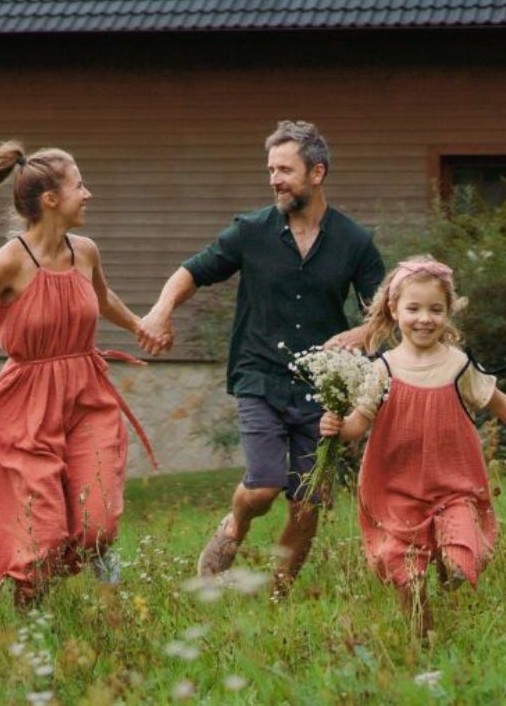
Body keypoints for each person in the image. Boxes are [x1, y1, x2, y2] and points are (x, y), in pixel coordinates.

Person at [0, 118, 158, 604]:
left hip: (88, 395)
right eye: (79, 186)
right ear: (50, 200)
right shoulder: (10, 261)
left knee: (97, 524)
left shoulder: (85, 251)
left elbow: (102, 300)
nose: (88, 194)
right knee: (41, 537)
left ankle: (67, 575)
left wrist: (140, 326)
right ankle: (28, 621)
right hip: (27, 406)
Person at [139, 120, 385, 594]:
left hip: (324, 386)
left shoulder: (355, 242)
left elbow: (384, 312)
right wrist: (160, 312)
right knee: (264, 487)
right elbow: (193, 270)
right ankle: (234, 525)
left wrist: (362, 332)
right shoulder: (250, 231)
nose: (274, 179)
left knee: (308, 501)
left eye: (285, 170)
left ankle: (279, 593)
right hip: (260, 375)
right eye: (271, 169)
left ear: (317, 173)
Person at [320, 256, 506, 637]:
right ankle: (422, 635)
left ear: (448, 313)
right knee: (406, 573)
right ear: (394, 310)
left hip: (453, 481)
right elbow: (356, 427)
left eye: (435, 310)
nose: (424, 318)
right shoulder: (382, 369)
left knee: (459, 554)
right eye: (413, 308)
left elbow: (499, 401)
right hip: (397, 485)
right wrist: (336, 426)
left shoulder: (458, 365)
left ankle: (452, 572)